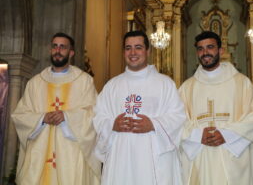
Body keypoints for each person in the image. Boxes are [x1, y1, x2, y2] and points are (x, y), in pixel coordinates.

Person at [179, 31, 253, 185]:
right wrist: (197, 135)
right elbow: (177, 120)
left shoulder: (241, 83)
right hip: (200, 158)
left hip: (234, 156)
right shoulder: (187, 88)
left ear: (221, 50)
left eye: (210, 47)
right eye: (200, 49)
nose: (205, 52)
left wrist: (227, 134)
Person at [93, 30, 186, 185]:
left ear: (148, 51)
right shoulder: (112, 86)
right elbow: (98, 116)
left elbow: (178, 117)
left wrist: (153, 124)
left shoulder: (164, 84)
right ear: (123, 52)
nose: (133, 52)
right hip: (120, 157)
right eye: (128, 48)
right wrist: (112, 124)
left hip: (153, 158)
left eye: (138, 47)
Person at [12, 32, 101, 185]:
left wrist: (67, 117)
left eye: (63, 47)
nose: (58, 50)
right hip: (39, 155)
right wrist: (41, 119)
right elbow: (20, 115)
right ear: (50, 50)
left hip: (71, 156)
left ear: (71, 53)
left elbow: (94, 114)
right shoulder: (35, 83)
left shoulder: (84, 82)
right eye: (55, 46)